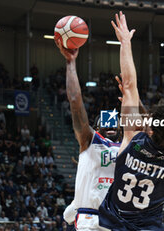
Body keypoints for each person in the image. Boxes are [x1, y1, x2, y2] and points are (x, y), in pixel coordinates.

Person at [99, 11, 164, 230]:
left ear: (150, 128)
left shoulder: (133, 138)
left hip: (110, 224)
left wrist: (125, 43)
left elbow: (129, 85)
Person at [55, 39, 121, 230]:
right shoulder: (90, 141)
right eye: (105, 125)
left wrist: (131, 97)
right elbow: (75, 100)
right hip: (90, 220)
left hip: (116, 221)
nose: (110, 128)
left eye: (114, 125)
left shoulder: (128, 146)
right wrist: (70, 63)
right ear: (95, 128)